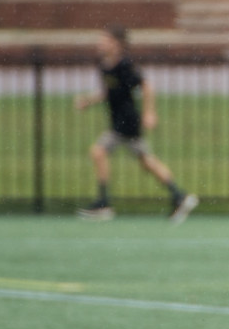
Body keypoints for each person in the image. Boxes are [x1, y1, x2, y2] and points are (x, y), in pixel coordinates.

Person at [74, 25, 198, 223]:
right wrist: (88, 101)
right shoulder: (105, 64)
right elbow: (110, 91)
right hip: (119, 121)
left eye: (104, 40)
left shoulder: (125, 65)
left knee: (98, 152)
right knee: (146, 161)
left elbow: (147, 86)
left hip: (127, 121)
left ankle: (104, 203)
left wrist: (150, 113)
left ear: (116, 44)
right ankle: (179, 196)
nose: (100, 44)